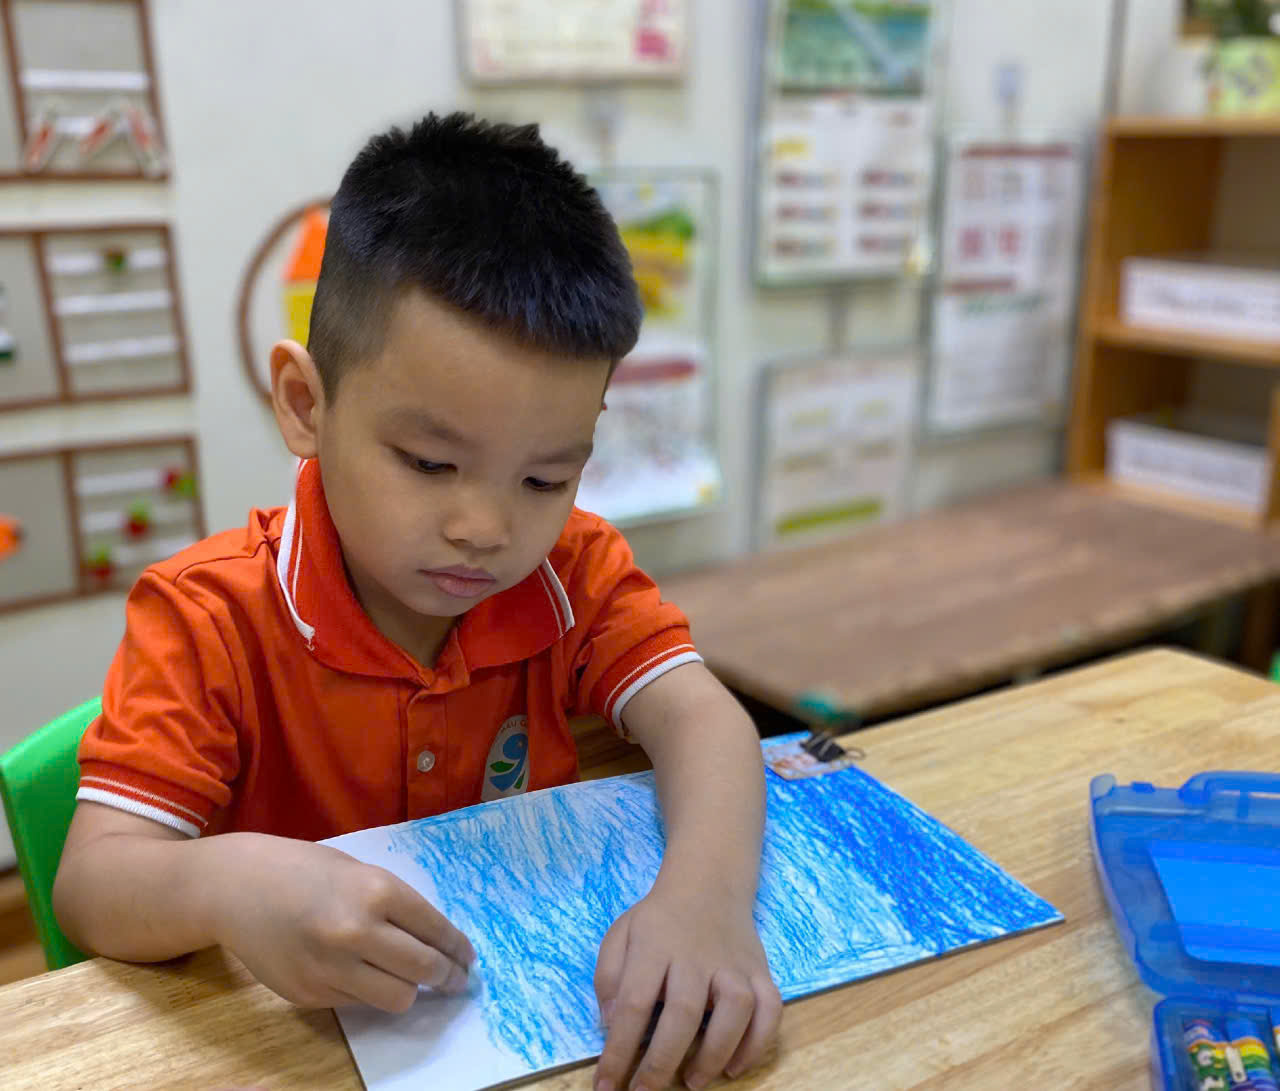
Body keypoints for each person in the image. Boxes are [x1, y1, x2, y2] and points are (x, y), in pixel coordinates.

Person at [52, 112, 780, 1091]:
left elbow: (702, 718)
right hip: (288, 1045)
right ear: (307, 404)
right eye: (431, 462)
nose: (485, 526)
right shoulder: (207, 617)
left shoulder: (573, 569)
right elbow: (95, 884)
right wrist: (228, 884)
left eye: (544, 477)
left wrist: (705, 901)